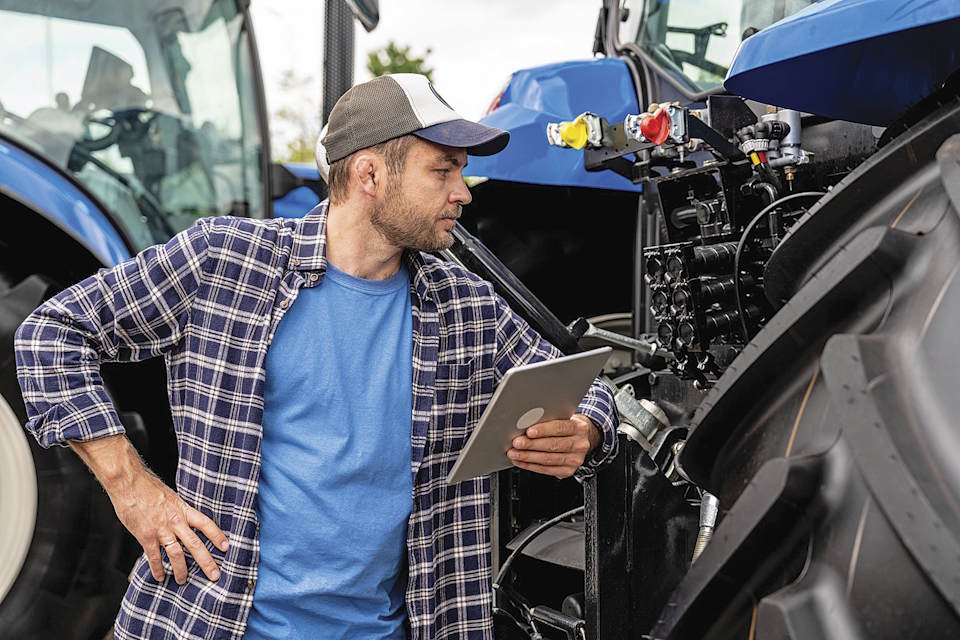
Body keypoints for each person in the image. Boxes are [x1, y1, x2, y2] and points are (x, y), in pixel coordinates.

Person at [14, 73, 618, 640]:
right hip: (215, 622)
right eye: (442, 171)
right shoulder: (226, 262)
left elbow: (590, 386)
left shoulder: (463, 305)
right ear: (369, 173)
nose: (462, 192)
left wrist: (586, 430)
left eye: (461, 171)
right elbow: (50, 332)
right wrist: (132, 488)